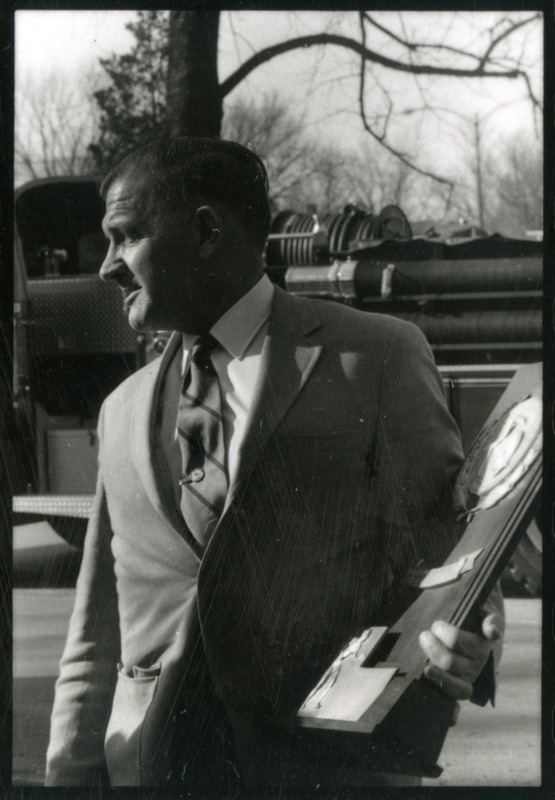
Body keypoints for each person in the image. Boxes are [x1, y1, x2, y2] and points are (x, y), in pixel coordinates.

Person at [45, 137, 503, 791]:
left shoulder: (372, 356)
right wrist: (69, 775)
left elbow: (448, 553)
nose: (107, 267)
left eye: (125, 236)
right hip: (153, 769)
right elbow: (95, 633)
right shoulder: (120, 410)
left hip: (324, 769)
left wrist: (471, 638)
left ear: (205, 230)